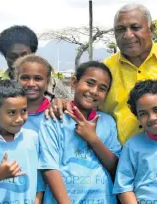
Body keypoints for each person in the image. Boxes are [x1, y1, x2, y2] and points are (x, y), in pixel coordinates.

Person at [46, 3, 157, 144]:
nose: (128, 35)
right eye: (121, 29)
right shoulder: (105, 71)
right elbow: (88, 103)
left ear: (151, 29)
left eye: (135, 28)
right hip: (123, 164)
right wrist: (64, 103)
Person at [39, 61, 121, 203]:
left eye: (102, 88)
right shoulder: (54, 118)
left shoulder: (107, 122)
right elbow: (49, 167)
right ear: (74, 82)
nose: (94, 91)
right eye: (90, 83)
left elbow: (114, 166)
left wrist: (93, 139)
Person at [0, 25, 71, 100]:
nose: (19, 61)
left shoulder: (53, 84)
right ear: (5, 56)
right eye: (13, 56)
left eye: (24, 56)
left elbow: (69, 106)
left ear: (33, 54)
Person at [15, 54, 56, 133]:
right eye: (25, 78)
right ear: (17, 79)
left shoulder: (55, 112)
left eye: (38, 78)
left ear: (47, 82)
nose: (31, 84)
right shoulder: (5, 112)